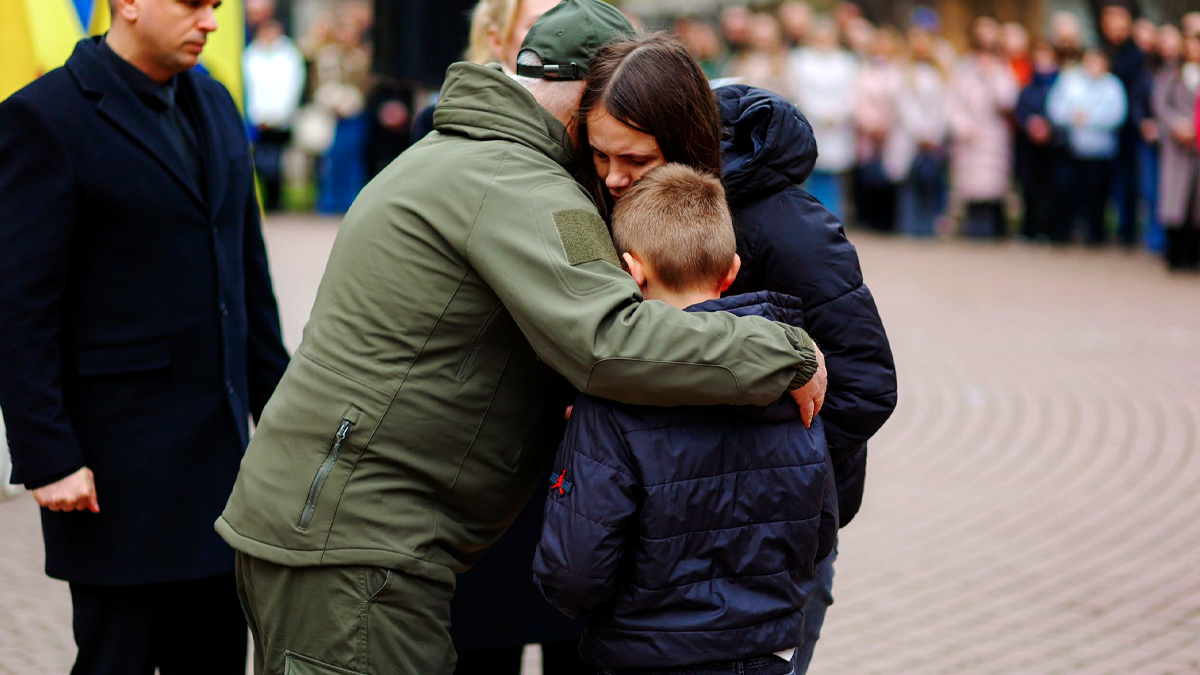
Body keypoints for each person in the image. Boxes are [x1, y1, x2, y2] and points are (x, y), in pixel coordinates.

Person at [217, 4, 829, 674]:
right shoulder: (519, 181)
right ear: (597, 96)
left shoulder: (467, 153)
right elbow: (610, 340)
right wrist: (782, 351)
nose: (617, 170)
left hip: (328, 531)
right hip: (357, 549)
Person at [572, 31, 897, 674]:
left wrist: (767, 478)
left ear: (685, 139)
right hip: (658, 542)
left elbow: (865, 384)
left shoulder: (787, 226)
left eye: (634, 158)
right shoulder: (613, 206)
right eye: (600, 157)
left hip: (770, 546)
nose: (613, 177)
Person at [0, 0, 291, 673]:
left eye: (217, 6)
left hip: (222, 473)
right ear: (128, 3)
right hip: (113, 479)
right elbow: (20, 308)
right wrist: (48, 456)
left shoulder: (216, 102)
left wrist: (285, 424)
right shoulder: (43, 117)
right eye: (194, 5)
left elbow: (250, 287)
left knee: (218, 658)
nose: (213, 22)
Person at [533, 163, 839, 675]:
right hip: (765, 653)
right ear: (732, 271)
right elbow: (821, 528)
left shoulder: (610, 395)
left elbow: (575, 571)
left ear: (630, 270)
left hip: (645, 653)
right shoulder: (791, 378)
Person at [1048, 47, 1128, 245]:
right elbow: (1054, 107)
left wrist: (1088, 118)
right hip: (1073, 148)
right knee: (1068, 192)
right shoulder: (1070, 81)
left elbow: (1117, 115)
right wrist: (1070, 117)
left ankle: (1095, 234)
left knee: (1097, 195)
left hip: (1101, 151)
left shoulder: (1112, 85)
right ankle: (1065, 232)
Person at [948, 16, 1018, 239]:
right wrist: (963, 126)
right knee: (970, 187)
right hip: (970, 136)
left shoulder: (1002, 68)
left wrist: (992, 75)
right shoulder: (964, 67)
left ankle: (993, 229)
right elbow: (953, 101)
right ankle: (972, 228)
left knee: (993, 186)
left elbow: (1008, 100)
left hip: (993, 135)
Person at [791, 17, 858, 221]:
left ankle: (833, 218)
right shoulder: (800, 60)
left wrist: (837, 114)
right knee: (811, 173)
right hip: (812, 124)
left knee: (834, 176)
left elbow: (853, 93)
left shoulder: (847, 62)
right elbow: (798, 92)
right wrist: (819, 114)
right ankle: (811, 218)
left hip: (838, 127)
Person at [886, 25, 949, 237]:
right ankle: (909, 226)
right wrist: (921, 132)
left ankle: (927, 227)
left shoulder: (939, 72)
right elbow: (905, 107)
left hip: (932, 138)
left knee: (929, 183)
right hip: (910, 138)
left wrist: (933, 133)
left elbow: (943, 106)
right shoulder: (903, 72)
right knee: (909, 184)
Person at [244, 18, 306, 211]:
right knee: (259, 161)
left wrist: (278, 115)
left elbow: (291, 88)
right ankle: (262, 198)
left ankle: (276, 201)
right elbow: (250, 88)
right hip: (257, 119)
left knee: (277, 162)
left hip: (280, 119)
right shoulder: (250, 55)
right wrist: (257, 115)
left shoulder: (289, 56)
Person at [1101, 1, 1148, 247]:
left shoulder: (1137, 55)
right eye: (1109, 19)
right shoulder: (1102, 51)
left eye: (1118, 19)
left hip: (1130, 129)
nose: (1113, 25)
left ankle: (1129, 232)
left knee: (1131, 182)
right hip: (1102, 130)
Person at [1015, 39, 1071, 242]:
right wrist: (1030, 125)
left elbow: (1066, 110)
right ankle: (1029, 229)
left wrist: (1050, 127)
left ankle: (1051, 230)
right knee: (1030, 189)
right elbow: (1021, 110)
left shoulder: (1063, 85)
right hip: (1030, 146)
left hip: (1054, 146)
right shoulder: (1028, 87)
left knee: (1054, 189)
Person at [1154, 32, 1200, 270]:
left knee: (1196, 203)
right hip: (1177, 145)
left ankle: (1193, 255)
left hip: (1198, 143)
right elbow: (1161, 105)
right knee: (1175, 198)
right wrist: (1177, 125)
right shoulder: (1172, 74)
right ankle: (1174, 253)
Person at [853, 26, 904, 231]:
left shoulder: (899, 71)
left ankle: (887, 222)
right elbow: (857, 100)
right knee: (868, 177)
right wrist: (870, 124)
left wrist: (886, 124)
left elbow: (900, 103)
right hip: (869, 134)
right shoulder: (864, 71)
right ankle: (869, 219)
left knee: (889, 177)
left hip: (891, 135)